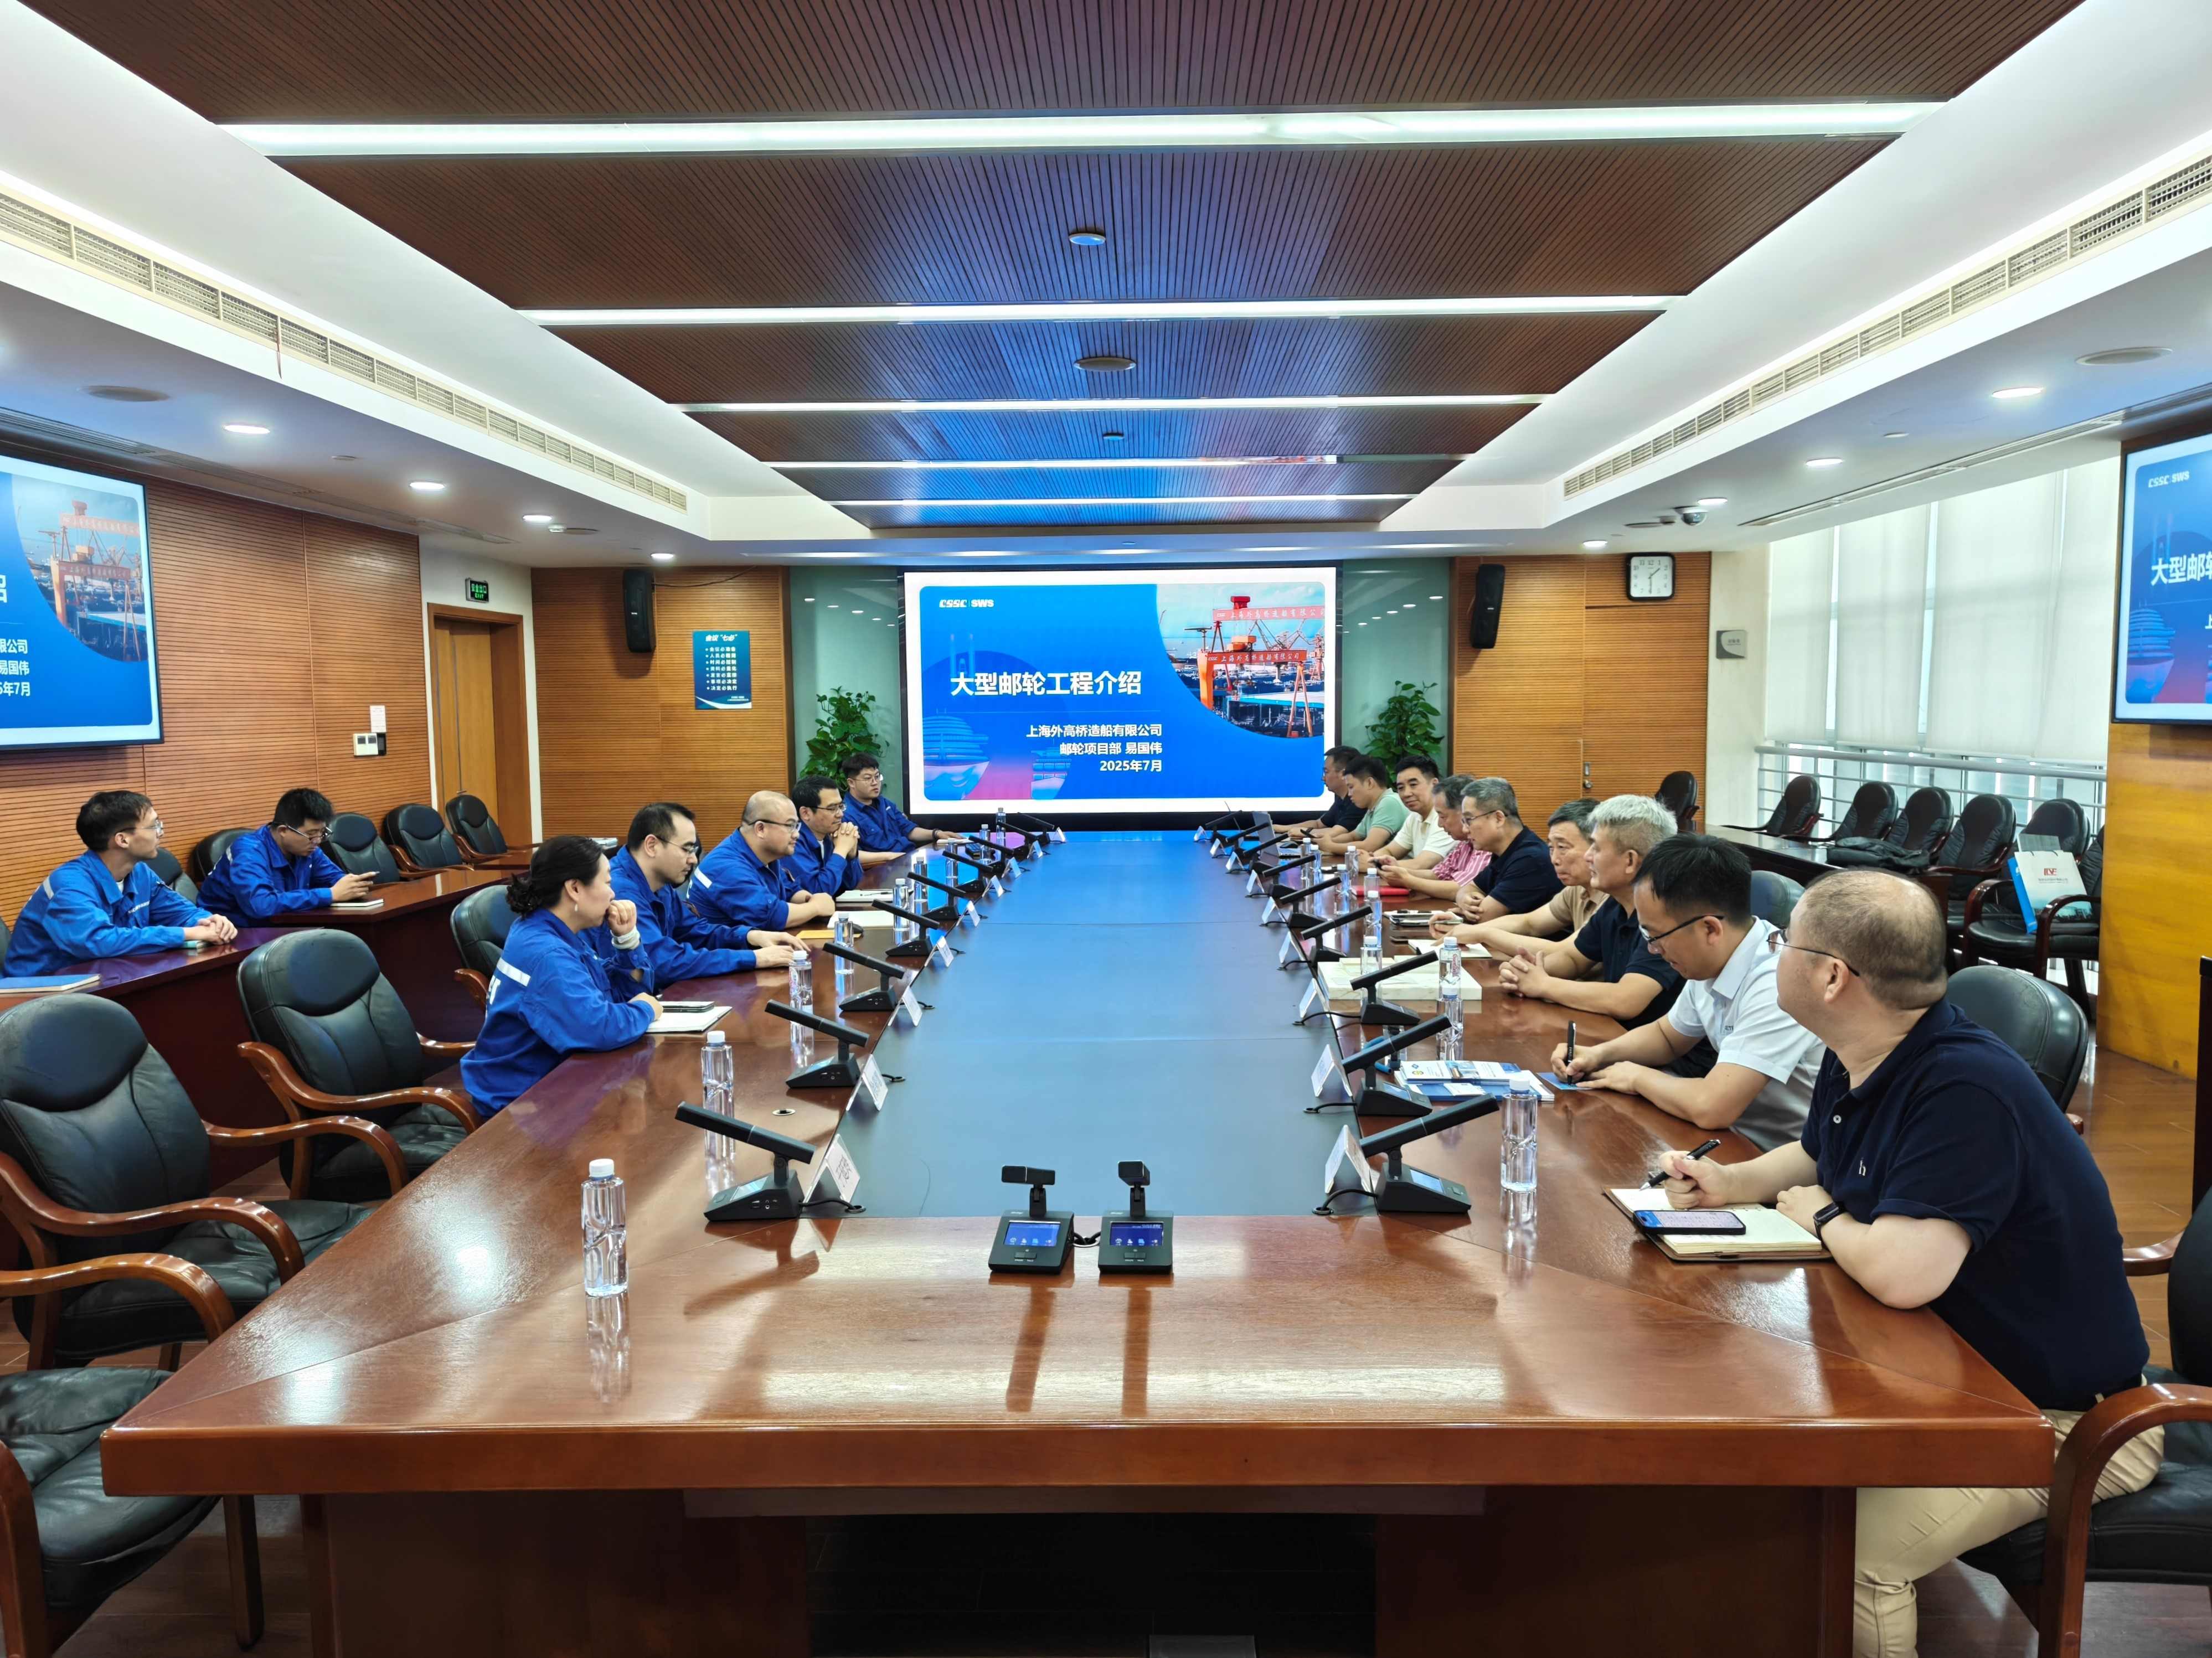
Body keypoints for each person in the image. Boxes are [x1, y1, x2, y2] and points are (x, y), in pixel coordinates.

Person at [1656, 870, 2156, 1658]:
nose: (1772, 951)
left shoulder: (1964, 1088)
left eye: (1785, 942)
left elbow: (1900, 1274)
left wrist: (1821, 1215)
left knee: (1848, 1555)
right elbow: (1816, 1153)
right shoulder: (1865, 1046)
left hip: (2067, 1420)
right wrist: (1730, 1182)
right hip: (1952, 1375)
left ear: (1831, 977)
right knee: (1768, 1492)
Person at [1552, 833, 1820, 1149]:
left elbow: (1712, 1106)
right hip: (1733, 1138)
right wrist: (1599, 1054)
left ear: (1710, 929)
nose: (1652, 950)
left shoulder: (1777, 982)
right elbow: (1667, 1037)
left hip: (1782, 1159)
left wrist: (1635, 1077)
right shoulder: (1712, 958)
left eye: (1656, 936)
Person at [460, 836, 661, 1115]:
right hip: (520, 1106)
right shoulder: (547, 954)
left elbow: (616, 993)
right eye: (607, 882)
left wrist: (627, 941)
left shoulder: (551, 930)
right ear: (575, 888)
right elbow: (595, 1028)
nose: (613, 894)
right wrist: (645, 1010)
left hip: (554, 1083)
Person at [1495, 794, 1682, 1029]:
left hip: (1657, 1049)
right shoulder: (1616, 904)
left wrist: (1542, 985)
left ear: (1630, 861)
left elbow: (1626, 1000)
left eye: (1597, 847)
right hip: (1616, 1035)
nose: (1588, 856)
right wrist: (1525, 973)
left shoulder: (1669, 913)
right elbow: (1573, 959)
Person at [4, 791, 234, 975]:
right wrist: (185, 934)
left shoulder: (140, 872)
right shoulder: (70, 884)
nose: (161, 833)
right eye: (154, 826)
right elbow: (99, 941)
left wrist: (209, 922)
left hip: (108, 980)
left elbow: (181, 913)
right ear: (123, 840)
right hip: (37, 993)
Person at [610, 802, 801, 984]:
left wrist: (751, 937)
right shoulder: (620, 891)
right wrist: (753, 958)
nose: (694, 860)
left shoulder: (660, 882)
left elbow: (694, 931)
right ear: (652, 846)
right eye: (687, 849)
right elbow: (661, 962)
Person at [193, 788, 376, 922]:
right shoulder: (249, 851)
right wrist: (329, 895)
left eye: (322, 833)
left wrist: (354, 886)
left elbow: (336, 881)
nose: (318, 841)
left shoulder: (308, 848)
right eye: (312, 834)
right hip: (234, 932)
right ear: (283, 831)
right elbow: (261, 905)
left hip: (283, 923)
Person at [1437, 799, 1599, 949]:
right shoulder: (1575, 890)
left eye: (1562, 847)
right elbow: (1529, 923)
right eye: (1551, 848)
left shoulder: (1608, 898)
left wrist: (1482, 933)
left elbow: (1567, 953)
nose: (1554, 859)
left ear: (1597, 848)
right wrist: (1468, 930)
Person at [693, 791, 837, 932]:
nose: (796, 834)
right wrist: (816, 907)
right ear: (761, 829)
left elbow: (788, 889)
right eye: (790, 826)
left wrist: (811, 899)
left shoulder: (765, 854)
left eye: (797, 826)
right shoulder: (728, 868)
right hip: (727, 947)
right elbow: (770, 917)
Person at [1456, 777, 1565, 921]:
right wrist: (1464, 899)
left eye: (1469, 820)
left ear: (1498, 818)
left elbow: (1481, 917)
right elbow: (1469, 888)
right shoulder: (1505, 851)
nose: (1465, 830)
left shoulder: (1531, 859)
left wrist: (1466, 908)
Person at [1389, 773, 1494, 902]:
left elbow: (1465, 888)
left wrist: (1408, 880)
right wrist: (1397, 870)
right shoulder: (1465, 843)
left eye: (1443, 816)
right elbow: (1440, 874)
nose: (1439, 824)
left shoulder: (1487, 844)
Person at [841, 753, 954, 865]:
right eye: (868, 779)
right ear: (851, 783)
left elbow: (907, 829)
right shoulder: (846, 815)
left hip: (908, 857)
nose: (875, 783)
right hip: (883, 867)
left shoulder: (885, 803)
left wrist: (936, 834)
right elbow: (851, 854)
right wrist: (889, 856)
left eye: (877, 777)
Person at [1373, 756, 1456, 876]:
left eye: (1413, 785)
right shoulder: (1414, 817)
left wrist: (1376, 865)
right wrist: (1375, 860)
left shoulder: (1445, 818)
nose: (1406, 793)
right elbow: (1389, 850)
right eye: (1401, 788)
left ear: (1434, 785)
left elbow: (1422, 865)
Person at [1317, 756, 1407, 859]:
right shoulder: (1374, 806)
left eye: (1351, 787)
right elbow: (1353, 836)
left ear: (1370, 783)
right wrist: (1326, 840)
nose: (1349, 794)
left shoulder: (1389, 802)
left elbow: (1370, 846)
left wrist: (1330, 846)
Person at [789, 775, 864, 896]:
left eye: (841, 807)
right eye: (832, 809)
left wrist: (851, 854)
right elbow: (817, 892)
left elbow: (849, 885)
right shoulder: (793, 842)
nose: (840, 814)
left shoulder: (829, 837)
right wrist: (841, 850)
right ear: (806, 813)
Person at [1280, 745, 1367, 844]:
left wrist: (1303, 832)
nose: (1323, 778)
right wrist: (1281, 828)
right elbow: (1319, 824)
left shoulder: (1358, 801)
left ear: (1343, 774)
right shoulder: (1341, 798)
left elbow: (1336, 833)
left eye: (1326, 772)